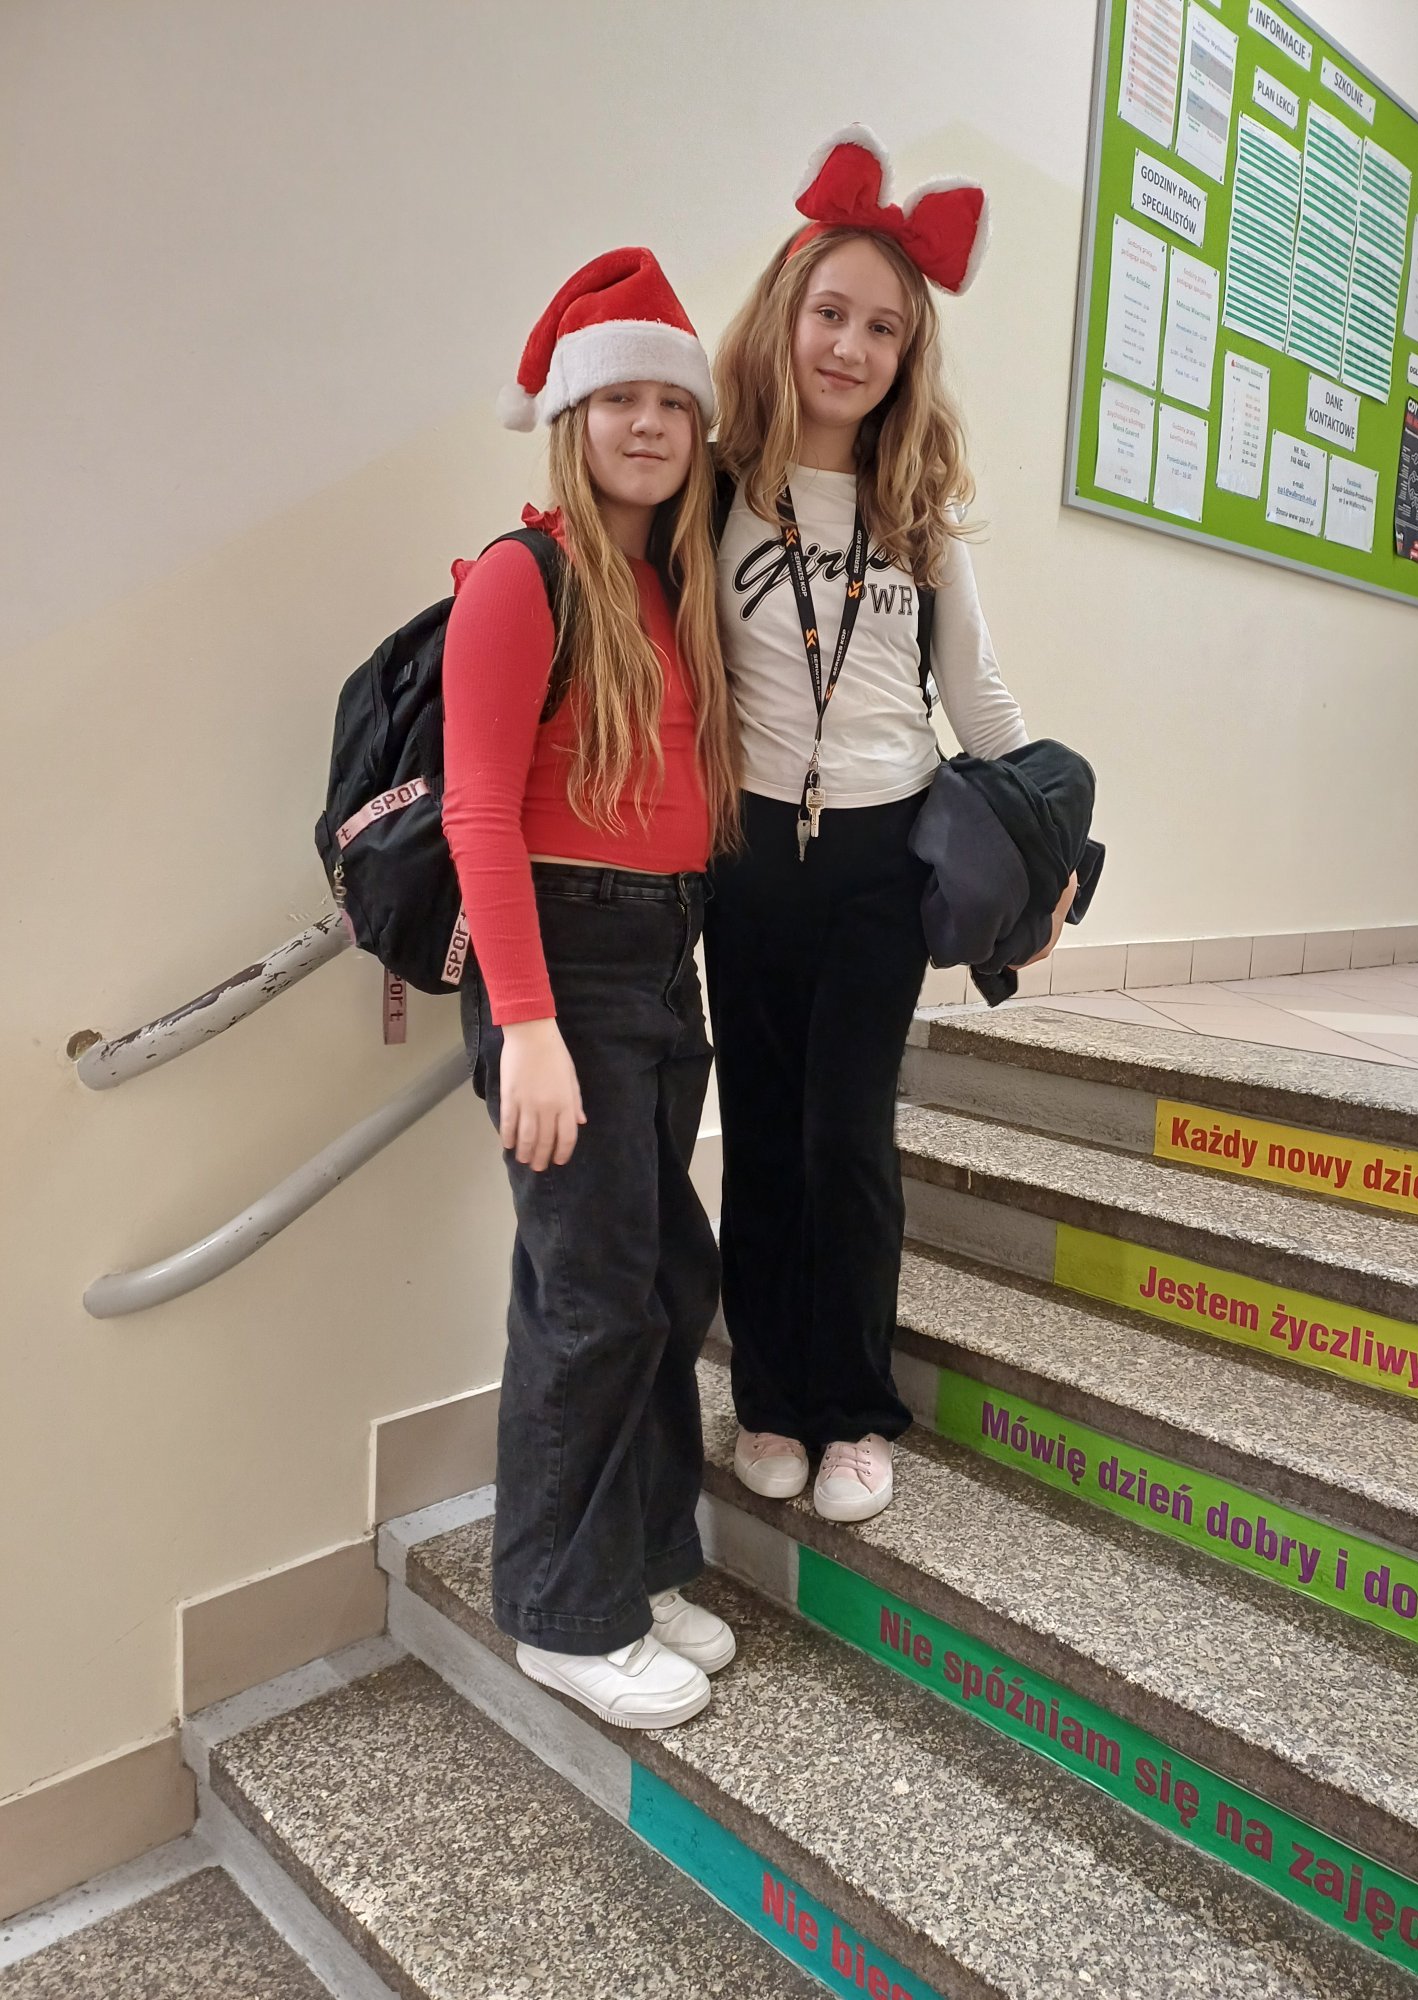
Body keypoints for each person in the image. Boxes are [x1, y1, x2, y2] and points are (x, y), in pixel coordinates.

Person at [705, 127, 1073, 1525]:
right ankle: (769, 1397)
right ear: (784, 317)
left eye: (883, 328)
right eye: (831, 314)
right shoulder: (719, 492)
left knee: (847, 1143)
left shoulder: (918, 514)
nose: (851, 347)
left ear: (909, 354)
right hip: (745, 861)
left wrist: (1050, 854)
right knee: (762, 1135)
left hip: (879, 863)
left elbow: (981, 701)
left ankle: (855, 1408)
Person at [441, 248, 740, 1729]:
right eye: (619, 399)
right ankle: (563, 1613)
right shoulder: (525, 577)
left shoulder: (668, 587)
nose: (647, 425)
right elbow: (479, 813)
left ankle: (637, 1561)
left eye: (669, 404)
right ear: (573, 416)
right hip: (564, 971)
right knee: (594, 1299)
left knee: (662, 1280)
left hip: (661, 962)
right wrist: (528, 1027)